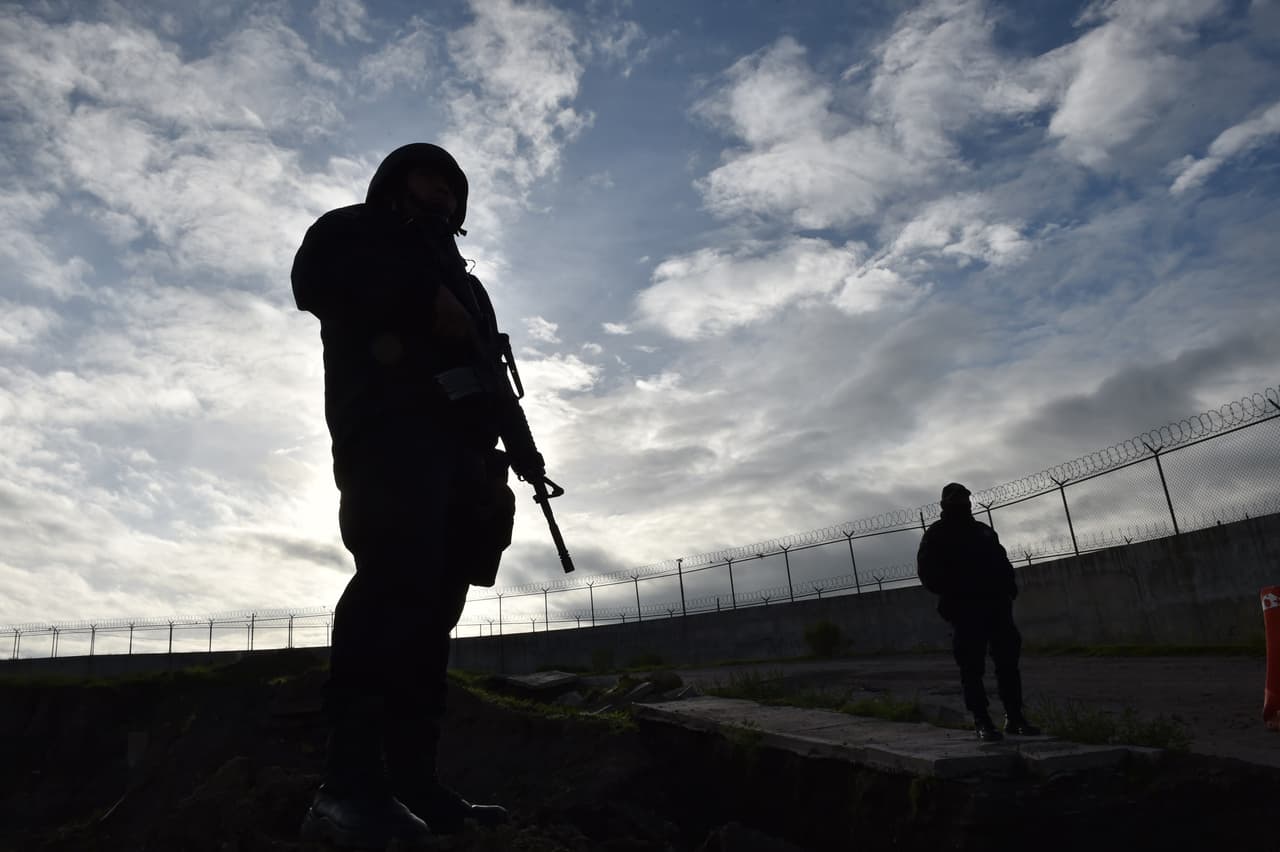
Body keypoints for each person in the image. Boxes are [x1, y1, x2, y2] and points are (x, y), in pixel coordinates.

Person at [291, 143, 514, 847]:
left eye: (454, 186)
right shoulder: (352, 232)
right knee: (392, 585)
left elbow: (491, 370)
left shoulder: (469, 282)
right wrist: (419, 300)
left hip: (468, 458)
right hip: (390, 438)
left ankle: (414, 783)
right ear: (394, 183)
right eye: (429, 178)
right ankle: (346, 786)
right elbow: (313, 281)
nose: (443, 194)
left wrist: (524, 451)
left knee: (434, 614)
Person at [917, 482, 1040, 742]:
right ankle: (982, 720)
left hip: (996, 606)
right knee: (971, 667)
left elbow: (1002, 561)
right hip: (965, 609)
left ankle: (1014, 717)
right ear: (944, 504)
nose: (962, 503)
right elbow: (928, 573)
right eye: (956, 499)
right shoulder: (938, 534)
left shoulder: (983, 531)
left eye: (964, 498)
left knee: (1007, 663)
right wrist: (955, 595)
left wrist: (1008, 589)